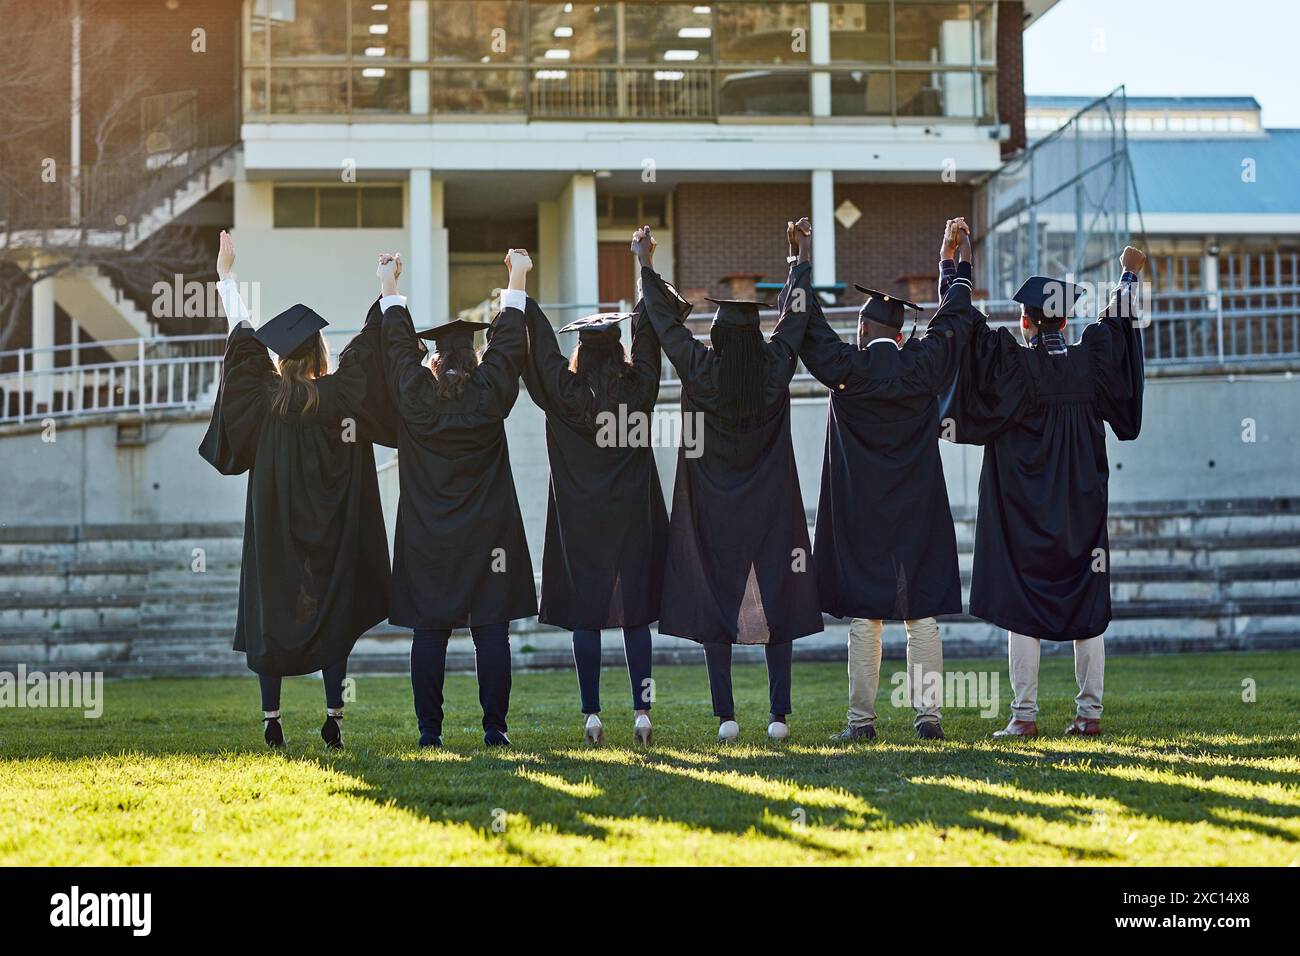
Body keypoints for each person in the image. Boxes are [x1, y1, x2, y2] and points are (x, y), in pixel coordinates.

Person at [199, 231, 397, 750]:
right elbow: (368, 351)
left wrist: (226, 277)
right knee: (332, 607)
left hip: (276, 534)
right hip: (331, 536)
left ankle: (272, 718)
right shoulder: (340, 396)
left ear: (280, 358)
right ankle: (334, 714)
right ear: (318, 353)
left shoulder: (264, 399)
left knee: (274, 609)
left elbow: (242, 342)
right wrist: (385, 290)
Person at [949, 242, 1148, 738]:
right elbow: (1116, 325)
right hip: (1080, 508)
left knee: (1023, 603)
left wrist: (956, 270)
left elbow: (965, 332)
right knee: (1087, 601)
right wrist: (1128, 275)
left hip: (1024, 513)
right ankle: (1089, 714)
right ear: (1065, 323)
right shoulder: (1092, 361)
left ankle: (1024, 715)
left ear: (1027, 323)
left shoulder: (1012, 366)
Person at [636, 221, 823, 743]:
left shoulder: (702, 370)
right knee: (779, 597)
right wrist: (798, 258)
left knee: (718, 599)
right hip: (769, 506)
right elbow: (795, 318)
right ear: (756, 335)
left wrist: (646, 265)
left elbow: (669, 331)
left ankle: (727, 718)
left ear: (716, 335)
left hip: (714, 508)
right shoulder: (775, 368)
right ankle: (779, 716)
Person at [800, 218, 977, 742]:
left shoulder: (846, 369)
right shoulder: (921, 366)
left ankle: (861, 724)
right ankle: (928, 720)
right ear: (900, 335)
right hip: (917, 506)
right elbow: (956, 320)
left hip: (861, 511)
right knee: (920, 613)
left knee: (865, 617)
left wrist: (800, 262)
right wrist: (953, 264)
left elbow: (806, 326)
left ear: (862, 331)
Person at [379, 249, 536, 748]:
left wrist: (390, 289)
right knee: (491, 631)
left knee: (430, 633)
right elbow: (509, 348)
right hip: (488, 534)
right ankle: (496, 729)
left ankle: (430, 733)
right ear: (474, 358)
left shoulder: (415, 396)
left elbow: (400, 352)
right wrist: (516, 279)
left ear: (436, 359)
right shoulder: (489, 393)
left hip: (430, 536)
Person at [519, 250, 669, 746]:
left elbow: (541, 356)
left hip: (582, 522)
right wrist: (643, 266)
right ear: (619, 351)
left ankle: (592, 715)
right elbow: (649, 342)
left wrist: (521, 289)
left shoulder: (567, 394)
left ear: (581, 350)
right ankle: (642, 713)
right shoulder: (639, 389)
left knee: (588, 615)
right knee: (636, 616)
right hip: (632, 518)